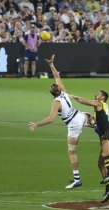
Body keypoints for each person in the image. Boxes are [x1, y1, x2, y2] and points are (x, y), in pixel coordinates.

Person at [28, 54, 94, 189]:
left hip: (74, 124)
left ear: (51, 93)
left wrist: (37, 124)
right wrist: (51, 64)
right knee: (90, 118)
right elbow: (57, 76)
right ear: (58, 90)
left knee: (72, 152)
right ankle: (102, 127)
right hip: (80, 116)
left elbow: (51, 119)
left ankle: (77, 179)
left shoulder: (56, 103)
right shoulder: (63, 92)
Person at [71, 90, 109, 203]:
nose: (96, 94)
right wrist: (92, 122)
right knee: (100, 163)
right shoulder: (100, 110)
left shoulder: (99, 103)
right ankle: (108, 189)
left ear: (103, 97)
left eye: (98, 94)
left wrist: (75, 96)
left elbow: (85, 101)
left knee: (105, 154)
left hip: (108, 132)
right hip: (104, 133)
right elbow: (97, 125)